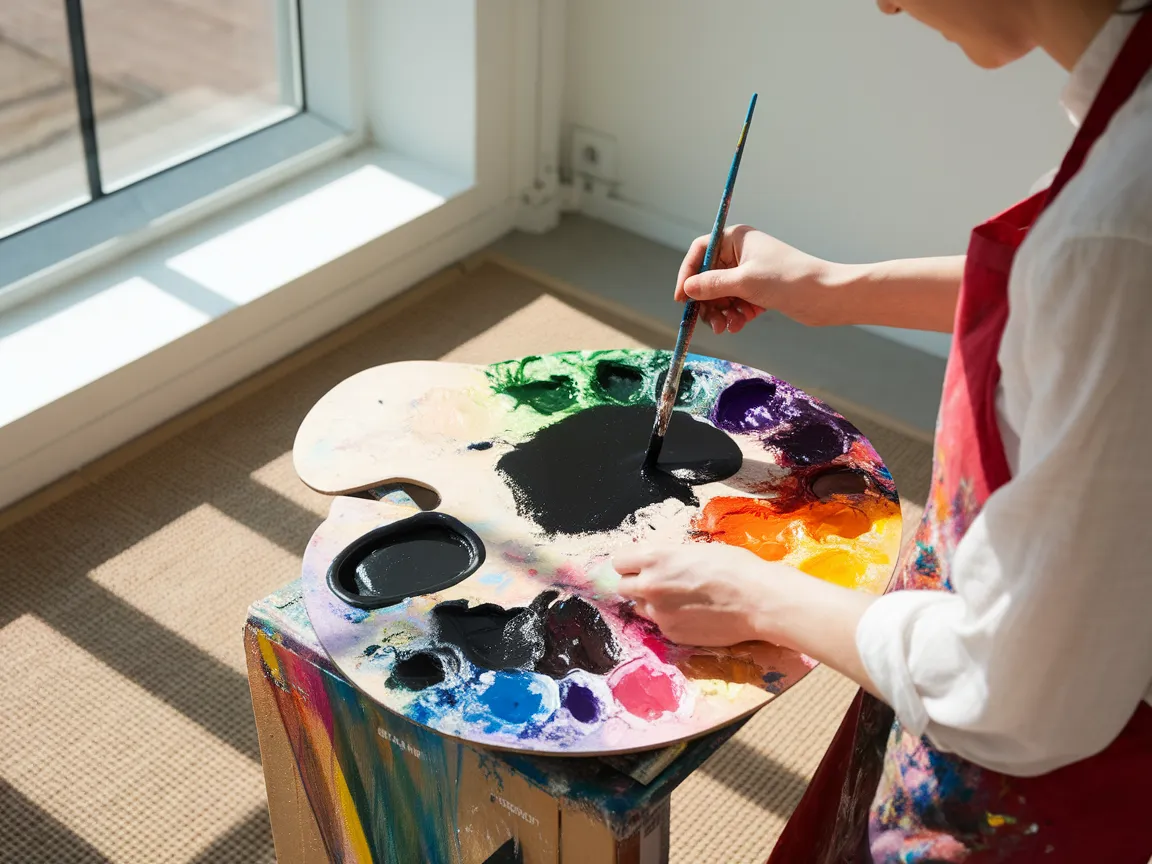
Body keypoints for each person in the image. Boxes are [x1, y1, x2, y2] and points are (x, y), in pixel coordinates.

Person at [612, 2, 1152, 861]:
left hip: (1031, 792)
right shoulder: (1125, 146)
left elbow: (1015, 687)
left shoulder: (1121, 228)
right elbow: (1077, 301)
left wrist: (753, 594)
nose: (886, 3)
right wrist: (835, 287)